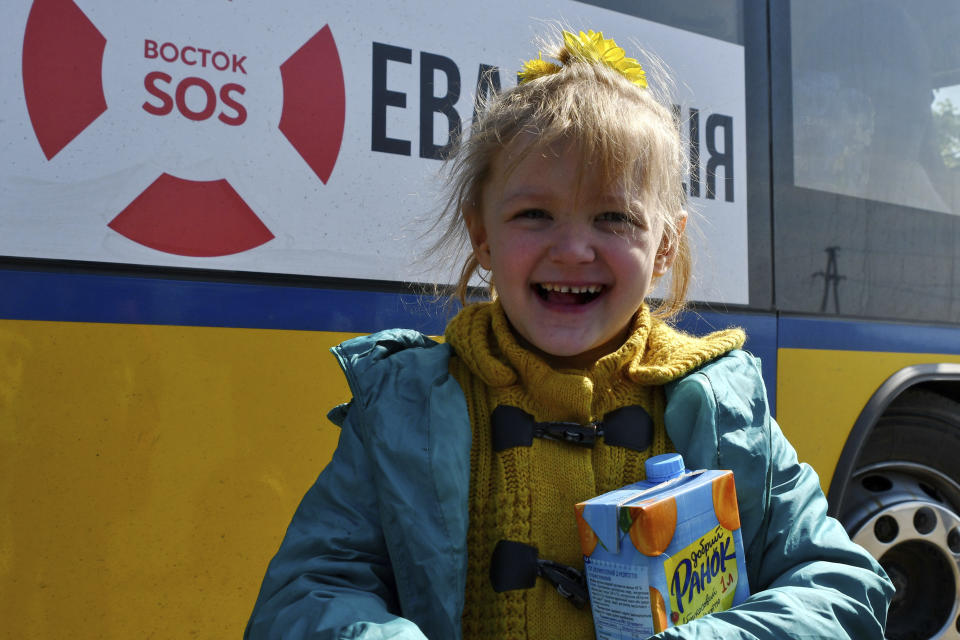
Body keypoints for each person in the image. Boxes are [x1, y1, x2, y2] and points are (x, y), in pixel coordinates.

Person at [244, 28, 893, 639]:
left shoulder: (725, 412)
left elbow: (841, 583)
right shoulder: (403, 407)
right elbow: (309, 591)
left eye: (613, 217)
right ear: (482, 236)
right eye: (534, 214)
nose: (574, 248)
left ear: (664, 246)